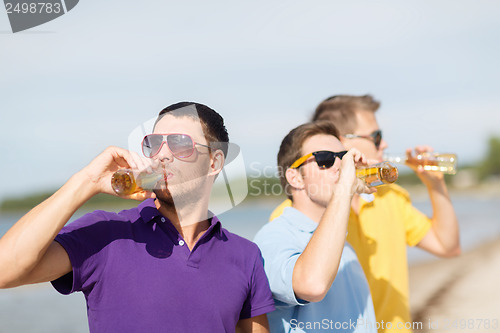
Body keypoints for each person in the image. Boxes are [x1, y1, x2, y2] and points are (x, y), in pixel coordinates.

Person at [0, 102, 275, 333]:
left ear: (214, 162)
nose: (162, 155)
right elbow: (4, 270)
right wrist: (86, 182)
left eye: (180, 144)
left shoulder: (245, 255)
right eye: (154, 144)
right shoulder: (106, 233)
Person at [270, 95, 461, 332]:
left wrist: (435, 185)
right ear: (342, 142)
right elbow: (306, 287)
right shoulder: (293, 216)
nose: (385, 145)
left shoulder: (390, 198)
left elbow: (448, 246)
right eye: (376, 137)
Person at [254, 121, 378, 333]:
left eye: (343, 157)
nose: (340, 166)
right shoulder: (273, 237)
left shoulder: (343, 244)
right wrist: (343, 190)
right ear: (295, 177)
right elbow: (312, 285)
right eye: (325, 159)